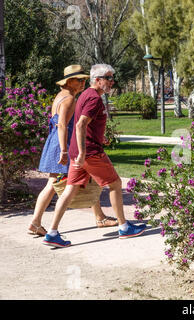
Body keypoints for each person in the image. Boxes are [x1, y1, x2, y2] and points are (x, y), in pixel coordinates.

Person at [43, 64, 146, 248]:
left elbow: (86, 124)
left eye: (112, 78)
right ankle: (124, 227)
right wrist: (83, 153)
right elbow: (80, 125)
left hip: (80, 152)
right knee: (115, 184)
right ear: (97, 80)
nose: (112, 82)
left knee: (70, 190)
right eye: (108, 78)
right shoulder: (94, 99)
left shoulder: (86, 95)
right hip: (89, 153)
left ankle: (52, 233)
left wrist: (99, 137)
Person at [29, 65, 118, 237]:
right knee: (56, 184)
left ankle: (98, 217)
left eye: (84, 79)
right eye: (79, 79)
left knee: (81, 179)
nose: (83, 82)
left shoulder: (61, 96)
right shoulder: (69, 99)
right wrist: (63, 150)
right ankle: (35, 222)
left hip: (56, 142)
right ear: (69, 81)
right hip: (64, 144)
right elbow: (63, 125)